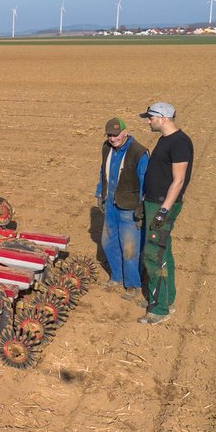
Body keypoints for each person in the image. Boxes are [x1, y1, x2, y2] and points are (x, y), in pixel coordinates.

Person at [138, 102, 194, 324]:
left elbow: (178, 180)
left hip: (162, 206)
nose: (148, 121)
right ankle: (164, 298)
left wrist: (163, 211)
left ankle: (159, 310)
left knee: (153, 255)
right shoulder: (166, 139)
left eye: (150, 117)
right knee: (164, 251)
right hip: (154, 203)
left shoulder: (179, 143)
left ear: (162, 118)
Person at [94, 117, 148, 300]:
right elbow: (104, 172)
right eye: (109, 135)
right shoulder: (107, 148)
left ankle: (133, 285)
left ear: (126, 132)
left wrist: (142, 207)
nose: (112, 138)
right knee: (108, 242)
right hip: (111, 204)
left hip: (129, 207)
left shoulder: (139, 153)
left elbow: (145, 182)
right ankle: (116, 278)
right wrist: (100, 193)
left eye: (116, 135)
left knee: (130, 248)